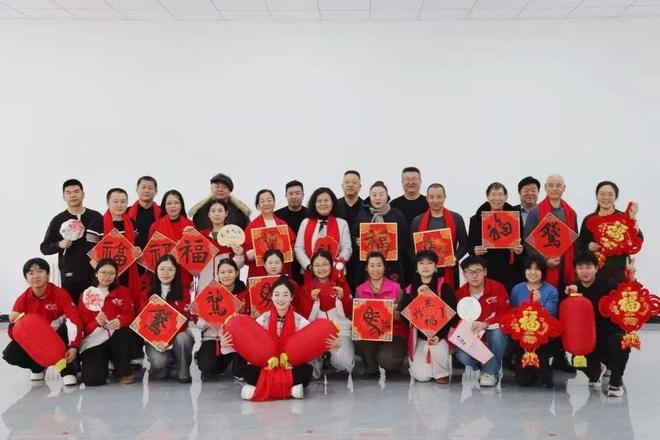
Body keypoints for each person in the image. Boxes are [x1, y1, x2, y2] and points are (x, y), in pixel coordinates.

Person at [221, 276, 340, 400]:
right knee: (246, 370)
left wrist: (335, 345)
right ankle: (291, 390)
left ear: (291, 297)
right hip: (267, 366)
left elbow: (312, 342)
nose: (281, 299)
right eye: (277, 295)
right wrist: (226, 344)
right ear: (272, 297)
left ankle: (260, 389)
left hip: (290, 366)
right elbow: (249, 343)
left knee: (307, 370)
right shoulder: (264, 318)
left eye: (285, 295)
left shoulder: (299, 320)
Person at [3, 258, 81, 386]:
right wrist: (12, 324)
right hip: (37, 339)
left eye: (40, 271)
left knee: (67, 328)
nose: (35, 276)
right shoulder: (22, 300)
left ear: (48, 275)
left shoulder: (60, 294)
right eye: (31, 273)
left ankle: (66, 370)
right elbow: (15, 335)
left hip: (58, 335)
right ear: (26, 278)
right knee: (9, 354)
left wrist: (74, 346)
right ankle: (37, 367)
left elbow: (74, 320)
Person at [569, 251, 630, 397]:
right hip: (588, 340)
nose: (584, 271)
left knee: (622, 343)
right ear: (575, 270)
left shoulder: (609, 286)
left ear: (596, 268)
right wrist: (570, 296)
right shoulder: (573, 289)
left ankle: (616, 382)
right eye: (580, 268)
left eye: (588, 267)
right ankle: (598, 370)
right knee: (577, 362)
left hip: (608, 336)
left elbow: (629, 295)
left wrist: (631, 277)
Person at [398, 251, 458, 384]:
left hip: (440, 336)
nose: (425, 266)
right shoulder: (409, 289)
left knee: (438, 356)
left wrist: (439, 335)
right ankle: (430, 367)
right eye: (421, 263)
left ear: (436, 267)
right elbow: (405, 316)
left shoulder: (443, 286)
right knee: (421, 376)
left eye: (430, 263)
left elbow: (453, 314)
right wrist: (419, 299)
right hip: (420, 337)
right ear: (416, 268)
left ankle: (442, 371)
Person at [40, 179, 102, 304]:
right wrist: (59, 244)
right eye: (68, 193)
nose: (73, 195)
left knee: (94, 308)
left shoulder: (96, 216)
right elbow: (44, 248)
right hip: (70, 274)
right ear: (64, 197)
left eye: (76, 191)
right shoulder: (58, 220)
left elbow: (105, 241)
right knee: (72, 309)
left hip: (95, 273)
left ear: (83, 194)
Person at [454, 256, 511, 387]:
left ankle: (489, 373)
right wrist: (468, 326)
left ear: (485, 272)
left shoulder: (498, 288)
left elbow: (506, 312)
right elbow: (457, 321)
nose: (474, 275)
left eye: (478, 271)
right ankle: (487, 369)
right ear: (464, 274)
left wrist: (487, 323)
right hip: (472, 333)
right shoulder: (460, 294)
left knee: (497, 334)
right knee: (462, 355)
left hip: (492, 329)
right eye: (470, 272)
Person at [296, 250, 354, 377]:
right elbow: (303, 318)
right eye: (317, 265)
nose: (321, 268)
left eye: (325, 264)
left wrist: (342, 298)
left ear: (331, 265)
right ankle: (319, 360)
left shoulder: (341, 285)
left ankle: (332, 359)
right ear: (312, 267)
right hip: (315, 333)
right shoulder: (306, 288)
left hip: (339, 332)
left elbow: (349, 313)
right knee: (309, 367)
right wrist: (311, 301)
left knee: (345, 363)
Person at [78, 259, 135, 386]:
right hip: (95, 339)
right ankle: (103, 365)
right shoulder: (86, 295)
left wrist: (120, 321)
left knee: (123, 332)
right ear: (96, 273)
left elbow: (130, 315)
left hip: (117, 337)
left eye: (111, 273)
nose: (107, 276)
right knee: (92, 380)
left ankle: (123, 370)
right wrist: (96, 322)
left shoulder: (123, 291)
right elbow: (84, 326)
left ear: (116, 275)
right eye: (103, 272)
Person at [578, 181, 644, 284]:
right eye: (602, 194)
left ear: (616, 197)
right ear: (596, 196)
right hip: (596, 273)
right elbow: (580, 244)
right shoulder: (589, 219)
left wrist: (632, 219)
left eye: (610, 194)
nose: (606, 197)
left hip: (620, 270)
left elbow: (638, 240)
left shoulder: (624, 217)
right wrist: (588, 246)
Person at [354, 252, 407, 377]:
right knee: (358, 337)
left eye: (379, 265)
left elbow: (403, 317)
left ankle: (389, 363)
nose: (375, 269)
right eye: (372, 265)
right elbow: (357, 317)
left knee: (387, 361)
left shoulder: (396, 288)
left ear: (384, 267)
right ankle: (371, 367)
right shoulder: (360, 290)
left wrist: (394, 313)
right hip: (370, 333)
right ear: (367, 268)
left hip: (394, 333)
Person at [143, 255, 195, 383]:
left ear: (176, 272)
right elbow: (143, 322)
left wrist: (168, 338)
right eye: (162, 269)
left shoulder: (184, 292)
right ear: (156, 271)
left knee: (183, 338)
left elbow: (184, 320)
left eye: (170, 269)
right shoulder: (147, 293)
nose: (166, 273)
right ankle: (169, 361)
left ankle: (183, 372)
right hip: (156, 338)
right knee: (159, 366)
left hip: (178, 334)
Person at [194, 258, 248, 380]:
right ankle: (219, 360)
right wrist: (207, 321)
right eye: (222, 272)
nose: (226, 275)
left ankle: (236, 362)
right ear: (217, 275)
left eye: (230, 272)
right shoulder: (210, 293)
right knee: (207, 366)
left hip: (237, 338)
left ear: (237, 273)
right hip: (214, 337)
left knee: (240, 371)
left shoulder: (245, 293)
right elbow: (198, 322)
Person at [87, 188, 142, 307]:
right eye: (115, 201)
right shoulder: (97, 224)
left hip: (128, 273)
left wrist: (137, 250)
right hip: (105, 277)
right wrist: (103, 274)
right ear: (108, 202)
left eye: (123, 202)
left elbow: (135, 245)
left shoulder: (132, 223)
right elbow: (90, 255)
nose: (119, 205)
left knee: (127, 306)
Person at [509, 255, 558, 388]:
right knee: (524, 381)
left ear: (543, 271)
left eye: (537, 269)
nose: (533, 272)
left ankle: (543, 370)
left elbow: (551, 315)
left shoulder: (551, 290)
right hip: (522, 337)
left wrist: (538, 304)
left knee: (545, 380)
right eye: (529, 269)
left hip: (543, 337)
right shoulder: (517, 289)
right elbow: (512, 313)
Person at [523, 175, 578, 291]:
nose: (554, 188)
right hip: (542, 271)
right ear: (545, 187)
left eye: (558, 185)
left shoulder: (571, 213)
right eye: (551, 185)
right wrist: (545, 261)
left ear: (564, 188)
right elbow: (528, 242)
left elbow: (574, 242)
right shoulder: (535, 212)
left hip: (566, 271)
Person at [410, 183, 469, 290]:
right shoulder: (417, 221)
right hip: (425, 273)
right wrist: (420, 262)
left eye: (439, 197)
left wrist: (456, 257)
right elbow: (410, 247)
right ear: (427, 198)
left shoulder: (456, 218)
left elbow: (464, 244)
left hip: (449, 270)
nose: (435, 200)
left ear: (445, 197)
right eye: (432, 197)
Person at [467, 182, 524, 291]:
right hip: (486, 267)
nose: (497, 198)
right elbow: (470, 246)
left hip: (509, 268)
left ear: (506, 197)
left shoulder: (515, 217)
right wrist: (474, 250)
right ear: (487, 197)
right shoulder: (476, 219)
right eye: (493, 195)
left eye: (500, 194)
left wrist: (519, 250)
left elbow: (522, 243)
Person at [353, 181, 409, 286]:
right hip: (367, 264)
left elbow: (405, 238)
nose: (377, 198)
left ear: (387, 196)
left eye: (381, 194)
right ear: (369, 197)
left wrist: (393, 247)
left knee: (393, 292)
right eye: (374, 195)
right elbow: (354, 235)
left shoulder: (397, 214)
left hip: (392, 263)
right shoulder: (362, 215)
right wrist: (357, 241)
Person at [295, 187, 352, 284]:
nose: (323, 204)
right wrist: (310, 266)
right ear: (314, 204)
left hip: (335, 271)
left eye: (326, 200)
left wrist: (334, 265)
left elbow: (347, 248)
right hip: (310, 271)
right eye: (319, 201)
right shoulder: (305, 222)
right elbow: (298, 248)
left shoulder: (342, 223)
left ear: (333, 203)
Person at [148, 190, 196, 290]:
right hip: (163, 274)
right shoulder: (155, 226)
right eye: (169, 203)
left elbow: (195, 253)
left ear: (181, 205)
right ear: (164, 206)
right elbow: (151, 254)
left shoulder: (190, 225)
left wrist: (182, 248)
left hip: (184, 272)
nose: (172, 206)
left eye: (176, 203)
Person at [244, 189, 296, 279]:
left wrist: (291, 251)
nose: (266, 203)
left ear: (274, 203)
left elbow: (293, 244)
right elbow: (245, 251)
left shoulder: (282, 224)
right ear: (258, 205)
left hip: (282, 269)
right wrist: (252, 253)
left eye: (269, 200)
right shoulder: (252, 226)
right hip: (259, 271)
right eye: (262, 201)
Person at [274, 180, 307, 284]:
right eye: (291, 194)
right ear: (286, 195)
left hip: (305, 261)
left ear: (303, 195)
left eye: (297, 193)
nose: (294, 196)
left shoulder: (310, 215)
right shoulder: (277, 215)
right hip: (284, 262)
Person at [336, 170, 364, 291]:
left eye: (354, 182)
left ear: (360, 186)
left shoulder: (367, 207)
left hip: (360, 258)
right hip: (339, 258)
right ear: (342, 186)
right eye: (347, 182)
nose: (350, 185)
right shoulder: (334, 206)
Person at [199, 198, 245, 270]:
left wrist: (239, 255)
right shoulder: (201, 235)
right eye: (213, 211)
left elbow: (238, 265)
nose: (216, 214)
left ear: (226, 213)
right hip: (205, 276)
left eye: (220, 211)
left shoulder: (234, 233)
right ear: (209, 214)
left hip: (226, 276)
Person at [127, 176, 160, 251]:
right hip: (132, 254)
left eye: (150, 188)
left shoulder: (163, 213)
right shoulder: (126, 212)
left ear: (156, 191)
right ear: (137, 190)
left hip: (157, 253)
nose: (146, 190)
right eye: (143, 187)